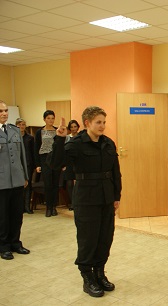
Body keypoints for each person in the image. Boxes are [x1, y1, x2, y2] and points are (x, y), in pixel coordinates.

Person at [48, 106, 121, 298]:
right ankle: (87, 277)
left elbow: (115, 172)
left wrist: (116, 196)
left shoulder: (108, 143)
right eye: (99, 122)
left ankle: (99, 273)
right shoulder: (76, 143)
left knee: (105, 238)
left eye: (104, 122)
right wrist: (60, 139)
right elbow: (55, 164)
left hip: (106, 198)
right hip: (86, 199)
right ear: (87, 123)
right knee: (88, 239)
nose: (102, 126)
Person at [0, 101, 30, 260]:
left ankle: (15, 243)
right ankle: (3, 246)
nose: (4, 113)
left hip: (17, 179)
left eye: (5, 111)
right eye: (1, 111)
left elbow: (22, 156)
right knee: (3, 216)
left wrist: (25, 175)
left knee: (17, 214)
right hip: (1, 181)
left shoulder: (14, 130)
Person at [34, 110, 60, 217]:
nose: (51, 120)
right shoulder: (39, 132)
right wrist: (38, 164)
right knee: (48, 184)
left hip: (55, 159)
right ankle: (48, 207)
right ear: (44, 119)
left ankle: (54, 207)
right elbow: (36, 148)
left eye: (52, 118)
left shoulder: (57, 131)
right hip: (44, 159)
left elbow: (60, 148)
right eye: (48, 118)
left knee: (55, 184)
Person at [16, 118, 35, 214]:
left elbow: (33, 152)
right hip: (17, 164)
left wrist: (35, 165)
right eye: (19, 125)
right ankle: (20, 207)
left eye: (23, 124)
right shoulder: (14, 137)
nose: (21, 126)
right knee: (19, 185)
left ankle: (27, 206)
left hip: (28, 164)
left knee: (28, 185)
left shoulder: (30, 138)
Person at [63, 119, 80, 210]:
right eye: (72, 127)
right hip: (69, 163)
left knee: (78, 183)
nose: (73, 129)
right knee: (69, 183)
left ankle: (78, 202)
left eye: (75, 126)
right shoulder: (67, 137)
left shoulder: (81, 137)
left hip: (78, 162)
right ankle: (72, 202)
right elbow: (64, 151)